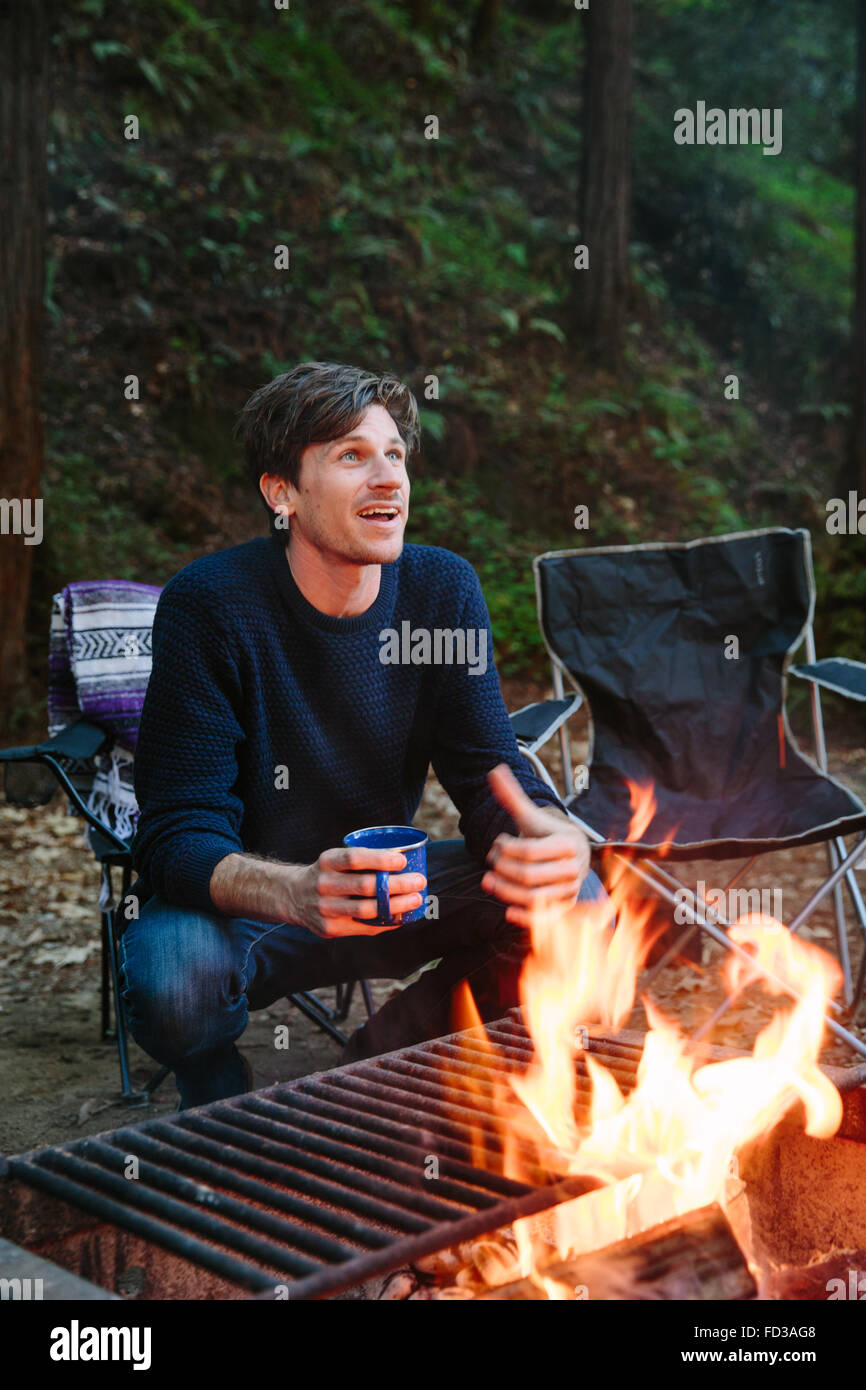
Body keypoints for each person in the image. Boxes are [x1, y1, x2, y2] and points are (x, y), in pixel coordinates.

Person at [120, 361, 609, 1108]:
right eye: (351, 455)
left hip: (393, 892)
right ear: (281, 492)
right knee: (171, 980)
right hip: (251, 909)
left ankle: (379, 1064)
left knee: (577, 900)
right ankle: (214, 1096)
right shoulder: (210, 606)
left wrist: (549, 831)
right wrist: (293, 891)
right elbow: (174, 836)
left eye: (395, 456)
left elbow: (488, 773)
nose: (388, 479)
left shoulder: (440, 591)